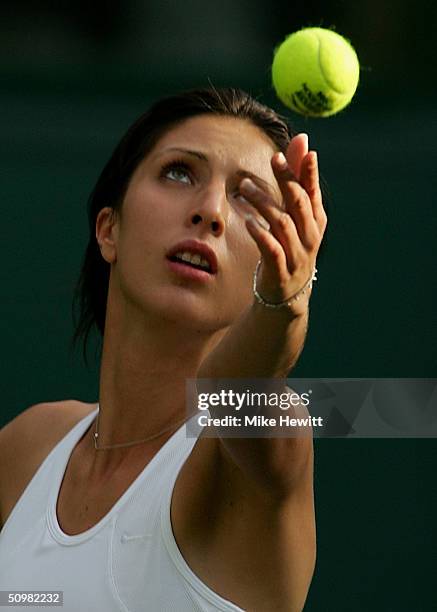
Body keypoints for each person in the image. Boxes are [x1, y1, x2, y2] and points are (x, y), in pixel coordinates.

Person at [0, 86, 327, 611]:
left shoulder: (268, 440)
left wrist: (282, 304)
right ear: (110, 229)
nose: (211, 211)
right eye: (179, 172)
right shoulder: (27, 448)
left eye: (251, 197)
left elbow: (232, 391)